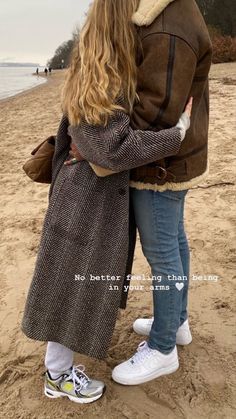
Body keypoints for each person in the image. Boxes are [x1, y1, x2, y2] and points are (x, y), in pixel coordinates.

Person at [21, 0, 192, 404]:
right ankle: (58, 375)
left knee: (68, 279)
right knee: (67, 281)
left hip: (83, 196)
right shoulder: (103, 70)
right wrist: (177, 134)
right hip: (84, 200)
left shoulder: (95, 62)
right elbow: (110, 149)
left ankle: (59, 370)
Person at [68, 0, 212, 386]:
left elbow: (157, 109)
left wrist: (106, 147)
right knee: (174, 243)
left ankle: (164, 348)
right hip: (172, 159)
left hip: (158, 164)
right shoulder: (168, 13)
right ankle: (176, 323)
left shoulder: (166, 22)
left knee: (163, 252)